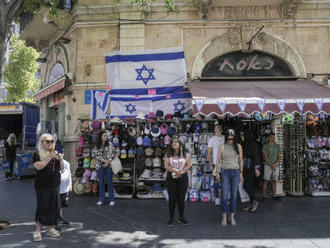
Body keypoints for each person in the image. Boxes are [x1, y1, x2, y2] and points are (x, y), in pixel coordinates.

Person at [32, 133, 64, 241]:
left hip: (54, 184)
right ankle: (37, 230)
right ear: (42, 143)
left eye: (52, 141)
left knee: (53, 207)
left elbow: (61, 168)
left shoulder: (55, 153)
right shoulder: (37, 153)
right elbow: (37, 167)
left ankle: (49, 229)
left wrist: (60, 159)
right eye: (47, 141)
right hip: (42, 185)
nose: (50, 143)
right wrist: (49, 157)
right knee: (42, 207)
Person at [216, 129, 243, 226]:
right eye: (229, 139)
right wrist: (217, 173)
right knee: (224, 195)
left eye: (232, 139)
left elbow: (240, 161)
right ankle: (224, 216)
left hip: (235, 171)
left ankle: (232, 216)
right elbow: (218, 161)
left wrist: (241, 173)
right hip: (224, 172)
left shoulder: (238, 146)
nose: (230, 141)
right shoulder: (222, 147)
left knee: (234, 195)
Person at [164, 136, 191, 226]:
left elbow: (188, 165)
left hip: (183, 177)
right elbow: (166, 166)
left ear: (180, 144)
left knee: (181, 198)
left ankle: (181, 217)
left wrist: (182, 172)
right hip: (171, 178)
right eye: (172, 142)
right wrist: (176, 171)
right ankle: (171, 218)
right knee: (172, 198)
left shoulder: (185, 153)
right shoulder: (168, 153)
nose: (174, 143)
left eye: (176, 142)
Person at [92, 130, 115, 206]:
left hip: (108, 165)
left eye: (106, 135)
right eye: (104, 136)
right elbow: (94, 154)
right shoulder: (97, 145)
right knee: (101, 183)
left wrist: (108, 161)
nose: (106, 137)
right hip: (100, 165)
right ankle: (101, 199)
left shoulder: (110, 144)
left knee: (109, 183)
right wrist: (103, 161)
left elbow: (113, 154)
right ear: (100, 137)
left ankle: (111, 199)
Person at [239, 130, 261, 212]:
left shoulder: (253, 145)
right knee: (247, 185)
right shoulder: (243, 144)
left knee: (246, 185)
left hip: (251, 168)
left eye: (242, 135)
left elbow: (256, 156)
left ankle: (254, 201)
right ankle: (252, 203)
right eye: (241, 135)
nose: (241, 137)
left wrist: (257, 168)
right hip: (244, 168)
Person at [207, 124, 225, 205]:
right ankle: (217, 197)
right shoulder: (212, 139)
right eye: (216, 128)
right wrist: (210, 164)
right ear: (214, 130)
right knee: (216, 181)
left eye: (219, 127)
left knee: (225, 181)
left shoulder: (225, 138)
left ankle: (225, 198)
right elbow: (209, 153)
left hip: (225, 163)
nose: (218, 129)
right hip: (215, 163)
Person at [262, 132, 281, 201]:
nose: (273, 138)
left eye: (274, 137)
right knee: (266, 180)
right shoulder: (265, 146)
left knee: (274, 180)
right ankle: (263, 196)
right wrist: (271, 164)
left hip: (275, 165)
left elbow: (279, 156)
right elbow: (265, 157)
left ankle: (274, 195)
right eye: (272, 137)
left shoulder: (277, 146)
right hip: (268, 165)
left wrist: (275, 164)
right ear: (269, 138)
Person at [57, 159, 72, 230]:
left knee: (62, 205)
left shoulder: (67, 163)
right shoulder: (53, 162)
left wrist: (70, 185)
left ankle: (60, 218)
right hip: (57, 188)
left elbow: (69, 174)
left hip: (64, 188)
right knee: (57, 205)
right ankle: (55, 222)